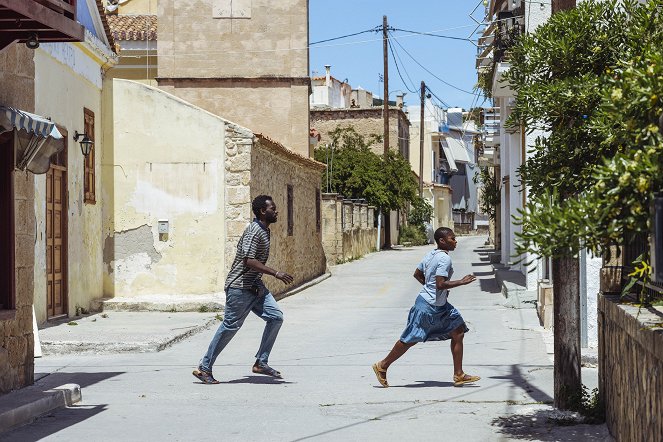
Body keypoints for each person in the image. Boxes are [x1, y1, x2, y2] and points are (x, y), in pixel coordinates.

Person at [193, 195, 294, 384]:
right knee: (230, 326)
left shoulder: (265, 230)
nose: (277, 211)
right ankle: (203, 368)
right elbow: (248, 260)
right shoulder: (254, 230)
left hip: (255, 287)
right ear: (263, 211)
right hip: (239, 288)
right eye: (273, 208)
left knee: (275, 317)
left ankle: (261, 363)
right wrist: (276, 273)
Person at [372, 227, 480, 388]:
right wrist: (461, 282)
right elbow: (440, 284)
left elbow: (418, 274)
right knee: (410, 338)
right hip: (427, 307)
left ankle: (459, 375)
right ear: (442, 241)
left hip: (440, 306)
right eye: (452, 238)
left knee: (458, 331)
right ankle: (383, 365)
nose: (455, 241)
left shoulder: (431, 254)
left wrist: (431, 288)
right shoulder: (444, 259)